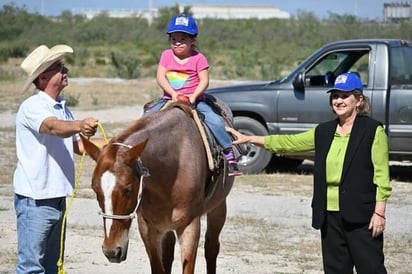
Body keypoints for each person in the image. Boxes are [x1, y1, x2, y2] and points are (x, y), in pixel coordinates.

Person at [227, 72, 392, 273]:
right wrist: (249, 139)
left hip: (361, 216)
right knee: (335, 270)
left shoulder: (373, 130)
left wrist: (379, 212)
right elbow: (288, 143)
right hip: (329, 215)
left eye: (344, 96)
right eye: (335, 96)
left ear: (358, 100)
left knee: (371, 269)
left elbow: (381, 175)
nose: (338, 101)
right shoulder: (323, 131)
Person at [13, 44, 102, 273]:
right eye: (59, 67)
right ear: (43, 77)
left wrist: (115, 147)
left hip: (57, 197)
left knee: (52, 265)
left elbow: (80, 146)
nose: (66, 71)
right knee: (32, 267)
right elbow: (52, 127)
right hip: (35, 199)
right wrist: (79, 125)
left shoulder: (62, 107)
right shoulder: (32, 106)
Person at [146, 14, 241, 176]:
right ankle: (143, 157)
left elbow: (204, 81)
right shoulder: (166, 55)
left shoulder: (199, 58)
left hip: (195, 100)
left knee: (215, 121)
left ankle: (229, 155)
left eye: (183, 39)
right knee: (146, 119)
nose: (177, 42)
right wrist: (174, 94)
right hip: (170, 98)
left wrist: (193, 96)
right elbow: (160, 77)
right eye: (173, 38)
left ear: (193, 40)